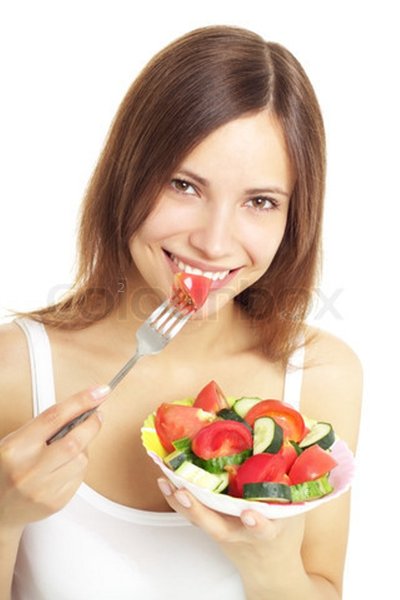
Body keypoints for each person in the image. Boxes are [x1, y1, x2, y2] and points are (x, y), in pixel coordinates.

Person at [0, 25, 362, 600]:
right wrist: (2, 516)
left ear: (294, 218)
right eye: (184, 185)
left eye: (260, 201)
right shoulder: (14, 368)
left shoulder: (321, 376)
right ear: (128, 176)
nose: (214, 244)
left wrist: (269, 566)